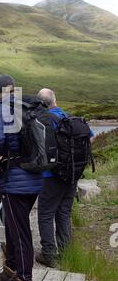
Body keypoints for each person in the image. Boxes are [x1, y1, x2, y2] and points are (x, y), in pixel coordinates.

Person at [0, 75, 42, 281]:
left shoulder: (0, 108)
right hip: (34, 177)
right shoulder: (27, 107)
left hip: (15, 180)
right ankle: (12, 272)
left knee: (19, 231)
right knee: (13, 226)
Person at [36, 88, 94, 268]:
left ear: (41, 104)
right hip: (72, 174)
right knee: (64, 212)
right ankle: (65, 252)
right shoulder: (70, 119)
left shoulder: (43, 121)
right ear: (56, 100)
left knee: (45, 214)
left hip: (50, 175)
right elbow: (89, 139)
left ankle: (48, 255)